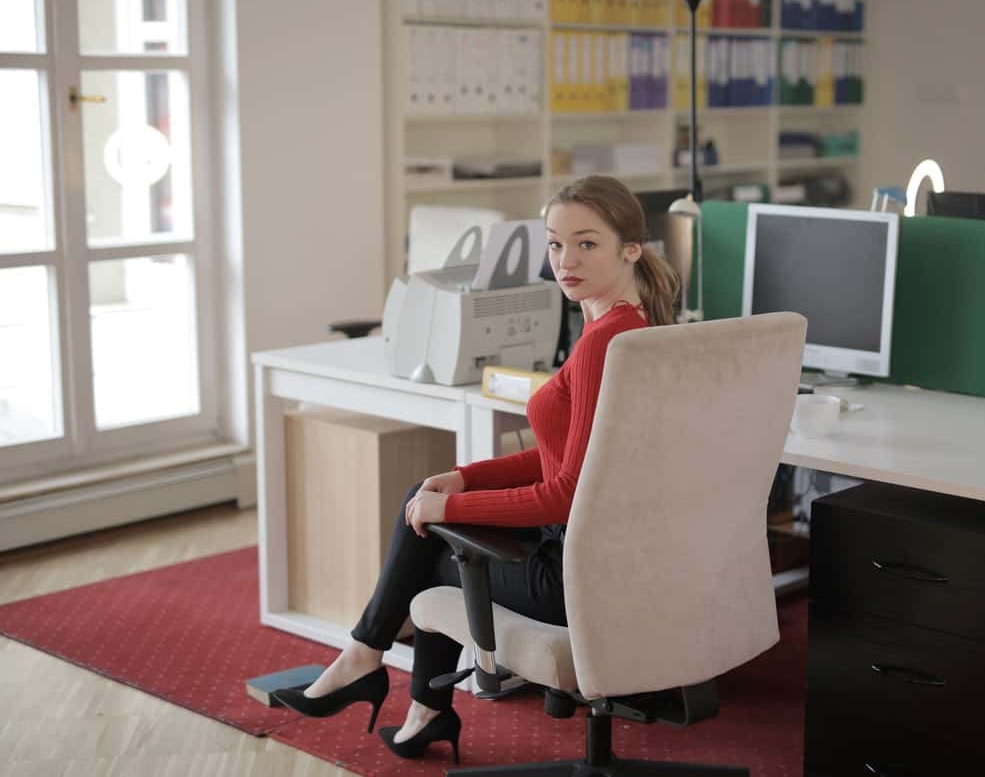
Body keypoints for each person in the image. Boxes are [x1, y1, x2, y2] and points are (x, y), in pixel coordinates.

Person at [275, 175, 682, 761]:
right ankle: (410, 701)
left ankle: (378, 669)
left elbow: (565, 493)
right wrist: (464, 480)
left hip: (578, 576)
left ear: (631, 250)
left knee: (439, 558)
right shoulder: (623, 325)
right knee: (428, 496)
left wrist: (453, 507)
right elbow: (563, 455)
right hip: (613, 553)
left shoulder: (604, 343)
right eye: (555, 244)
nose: (566, 261)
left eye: (586, 244)